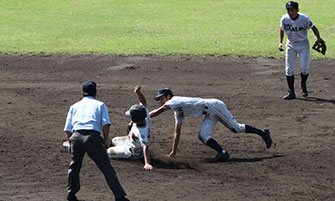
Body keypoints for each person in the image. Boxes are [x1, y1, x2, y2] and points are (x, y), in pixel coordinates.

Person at [149, 88, 272, 162]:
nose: (161, 100)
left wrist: (144, 116)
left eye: (162, 98)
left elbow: (159, 111)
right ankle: (222, 153)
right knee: (203, 135)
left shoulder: (174, 100)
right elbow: (177, 132)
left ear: (168, 96)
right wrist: (173, 152)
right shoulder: (177, 112)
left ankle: (263, 132)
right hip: (209, 112)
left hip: (215, 106)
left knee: (236, 128)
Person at [64, 81, 130, 201]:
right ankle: (119, 196)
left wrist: (70, 143)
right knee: (106, 167)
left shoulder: (74, 106)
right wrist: (105, 140)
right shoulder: (100, 105)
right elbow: (106, 124)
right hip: (92, 138)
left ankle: (71, 193)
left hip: (76, 137)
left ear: (82, 93)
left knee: (74, 166)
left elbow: (68, 128)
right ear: (95, 92)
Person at [279, 1, 324, 100]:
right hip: (290, 44)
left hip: (303, 45)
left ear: (297, 10)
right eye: (288, 10)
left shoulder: (304, 18)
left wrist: (318, 38)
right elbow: (281, 30)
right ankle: (291, 92)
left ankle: (303, 84)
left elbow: (313, 27)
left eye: (292, 10)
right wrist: (280, 43)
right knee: (289, 69)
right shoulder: (284, 19)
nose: (290, 12)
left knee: (304, 68)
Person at [107, 85, 153, 170]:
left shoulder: (141, 132)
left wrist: (147, 163)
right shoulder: (144, 114)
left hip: (131, 151)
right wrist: (138, 93)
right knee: (113, 141)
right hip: (129, 140)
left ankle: (135, 157)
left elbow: (145, 146)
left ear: (135, 119)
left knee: (108, 152)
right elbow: (143, 102)